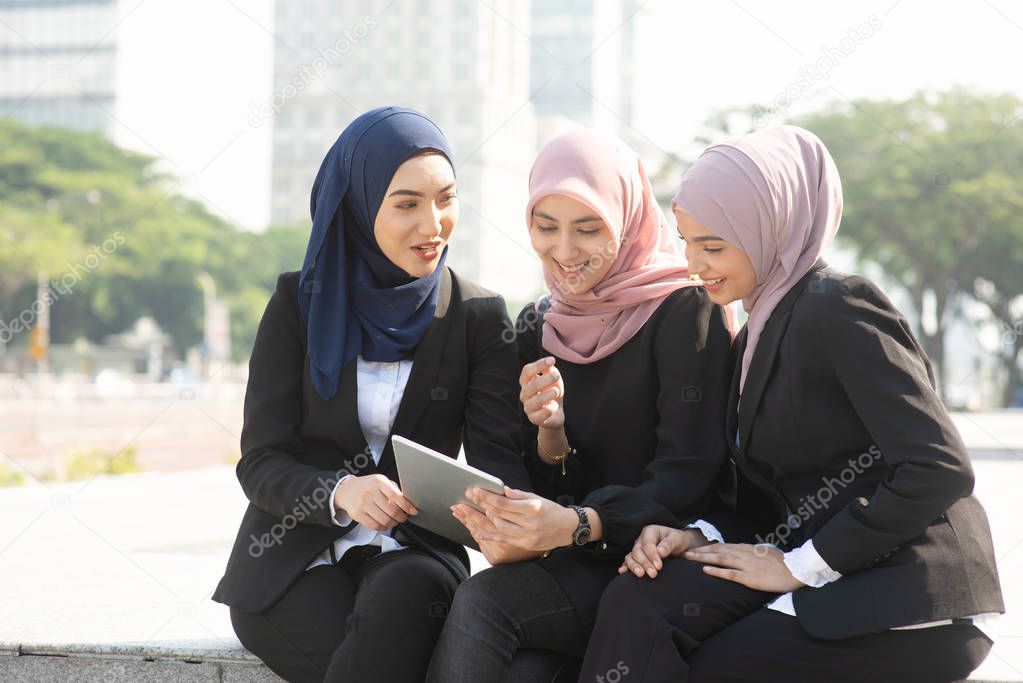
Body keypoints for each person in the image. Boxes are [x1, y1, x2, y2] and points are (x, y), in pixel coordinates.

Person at [579, 125, 1004, 683]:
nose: (692, 264)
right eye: (685, 241)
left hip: (907, 592)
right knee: (640, 596)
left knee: (714, 667)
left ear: (768, 231)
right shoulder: (755, 333)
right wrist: (696, 533)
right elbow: (772, 496)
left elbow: (939, 467)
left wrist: (801, 566)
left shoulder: (840, 307)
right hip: (823, 577)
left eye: (712, 245)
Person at [212, 106, 531, 683]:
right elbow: (260, 463)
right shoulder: (296, 306)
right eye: (406, 204)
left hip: (415, 555)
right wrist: (341, 492)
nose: (432, 225)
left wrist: (547, 437)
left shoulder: (477, 316)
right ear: (358, 207)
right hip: (292, 558)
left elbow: (497, 467)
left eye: (446, 199)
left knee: (405, 599)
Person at [426, 129, 734, 682]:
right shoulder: (538, 324)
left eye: (588, 229)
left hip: (655, 563)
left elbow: (689, 475)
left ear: (627, 219)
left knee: (483, 603)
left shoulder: (685, 311)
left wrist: (580, 523)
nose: (564, 252)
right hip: (575, 565)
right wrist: (551, 438)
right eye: (546, 228)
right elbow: (546, 495)